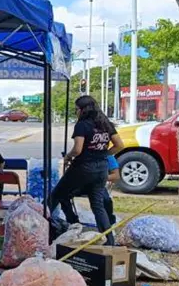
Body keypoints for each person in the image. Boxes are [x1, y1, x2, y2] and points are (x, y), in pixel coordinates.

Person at [49, 95, 124, 245]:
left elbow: (77, 149)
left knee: (56, 196)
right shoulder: (105, 123)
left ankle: (42, 230)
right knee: (98, 206)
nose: (76, 112)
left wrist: (68, 157)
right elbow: (119, 145)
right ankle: (110, 242)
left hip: (83, 168)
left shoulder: (82, 125)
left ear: (83, 110)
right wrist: (103, 154)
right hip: (101, 169)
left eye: (76, 109)